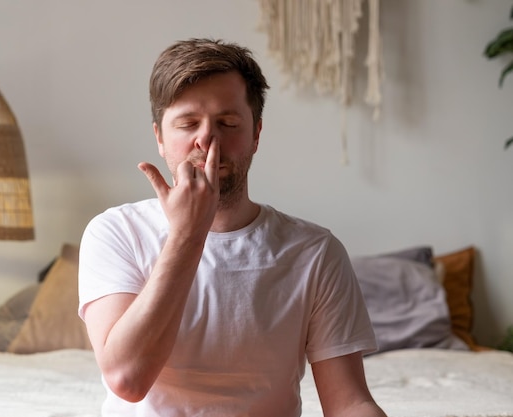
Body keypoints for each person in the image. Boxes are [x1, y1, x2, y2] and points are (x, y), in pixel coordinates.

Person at [78, 38, 387, 417]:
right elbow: (127, 379)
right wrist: (188, 233)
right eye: (188, 123)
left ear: (256, 134)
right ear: (159, 137)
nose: (207, 139)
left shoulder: (315, 251)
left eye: (227, 123)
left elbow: (349, 403)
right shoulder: (115, 232)